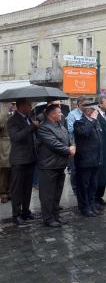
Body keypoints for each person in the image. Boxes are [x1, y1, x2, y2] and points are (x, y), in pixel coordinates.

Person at [37, 104, 75, 228]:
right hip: (48, 166)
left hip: (60, 164)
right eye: (59, 112)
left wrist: (72, 145)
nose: (61, 114)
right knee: (47, 194)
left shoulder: (60, 125)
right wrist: (68, 150)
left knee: (57, 193)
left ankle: (56, 216)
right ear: (51, 114)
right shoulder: (44, 127)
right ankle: (48, 218)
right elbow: (53, 144)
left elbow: (68, 136)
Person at [7, 98, 38, 226]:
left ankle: (26, 211)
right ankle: (16, 214)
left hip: (30, 158)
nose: (30, 107)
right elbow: (16, 137)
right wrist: (31, 127)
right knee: (17, 189)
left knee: (27, 188)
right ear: (21, 106)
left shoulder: (28, 117)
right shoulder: (13, 120)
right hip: (19, 160)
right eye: (28, 105)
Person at [73, 102, 103, 217]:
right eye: (96, 111)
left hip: (96, 160)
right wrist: (93, 120)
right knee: (83, 186)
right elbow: (84, 132)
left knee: (93, 185)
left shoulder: (95, 122)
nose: (97, 113)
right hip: (85, 161)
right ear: (89, 111)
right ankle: (84, 207)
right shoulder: (79, 123)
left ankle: (91, 204)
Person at [66, 96, 88, 193]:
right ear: (79, 104)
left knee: (83, 167)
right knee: (74, 167)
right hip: (75, 143)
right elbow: (70, 129)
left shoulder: (87, 113)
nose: (86, 106)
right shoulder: (72, 114)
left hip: (86, 144)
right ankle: (75, 188)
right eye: (84, 104)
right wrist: (83, 128)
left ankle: (83, 186)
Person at [0, 104, 11, 204]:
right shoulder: (3, 110)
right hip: (4, 144)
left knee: (12, 169)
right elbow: (1, 125)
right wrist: (4, 109)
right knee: (4, 169)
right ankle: (3, 192)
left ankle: (10, 191)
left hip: (14, 145)